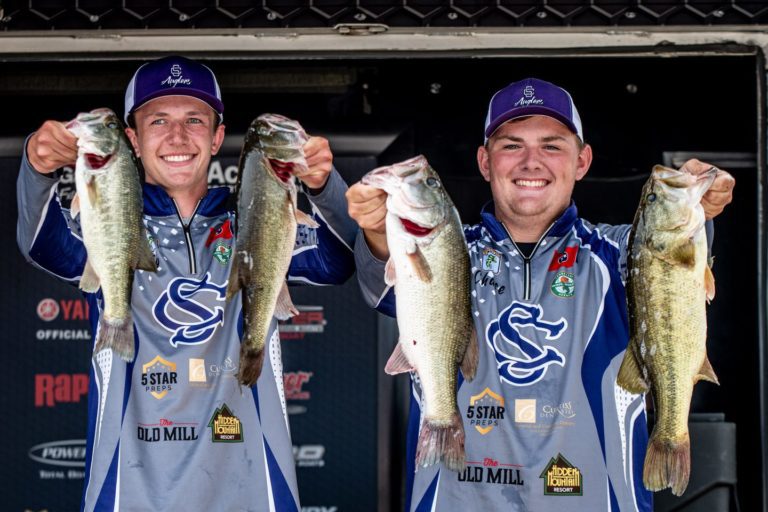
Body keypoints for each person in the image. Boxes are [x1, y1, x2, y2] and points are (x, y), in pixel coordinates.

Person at [346, 77, 735, 511]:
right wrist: (379, 230)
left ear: (582, 161)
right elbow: (379, 282)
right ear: (485, 161)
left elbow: (670, 271)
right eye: (512, 145)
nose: (531, 162)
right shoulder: (446, 250)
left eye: (552, 146)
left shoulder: (617, 255)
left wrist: (701, 205)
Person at [17, 55, 358, 511]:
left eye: (194, 120)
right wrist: (36, 168)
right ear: (133, 139)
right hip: (130, 485)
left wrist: (324, 186)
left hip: (252, 483)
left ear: (217, 136)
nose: (177, 136)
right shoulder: (111, 221)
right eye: (159, 120)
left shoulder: (255, 220)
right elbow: (41, 242)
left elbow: (337, 261)